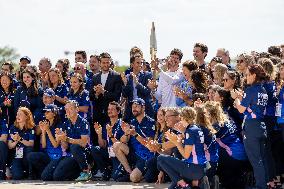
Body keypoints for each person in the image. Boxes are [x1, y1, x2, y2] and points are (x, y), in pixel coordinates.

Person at [231, 64, 270, 189]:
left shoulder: (251, 89)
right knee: (262, 158)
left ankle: (260, 186)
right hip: (261, 126)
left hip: (252, 127)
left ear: (254, 75)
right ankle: (265, 183)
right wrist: (243, 98)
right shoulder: (263, 90)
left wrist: (236, 99)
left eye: (248, 74)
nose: (246, 77)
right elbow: (252, 106)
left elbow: (242, 109)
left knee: (255, 159)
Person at [157, 107, 206, 188]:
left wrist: (176, 142)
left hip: (193, 169)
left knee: (161, 158)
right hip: (200, 168)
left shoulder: (190, 131)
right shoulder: (196, 128)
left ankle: (184, 185)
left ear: (183, 117)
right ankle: (187, 184)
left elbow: (186, 155)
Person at [204, 101, 248, 188]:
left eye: (205, 113)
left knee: (211, 153)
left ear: (210, 114)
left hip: (232, 156)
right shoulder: (226, 119)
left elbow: (206, 139)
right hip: (241, 153)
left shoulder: (216, 124)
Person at [113, 98, 156, 183]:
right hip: (134, 154)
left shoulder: (151, 122)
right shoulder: (132, 122)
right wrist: (126, 133)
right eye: (133, 106)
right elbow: (123, 141)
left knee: (134, 178)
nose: (134, 108)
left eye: (137, 106)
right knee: (116, 145)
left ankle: (140, 173)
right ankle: (129, 172)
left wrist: (135, 134)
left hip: (145, 156)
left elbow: (148, 143)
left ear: (143, 108)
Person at [54, 100, 90, 181]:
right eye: (66, 109)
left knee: (74, 147)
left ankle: (86, 171)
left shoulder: (83, 122)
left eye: (70, 109)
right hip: (71, 155)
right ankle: (78, 173)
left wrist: (67, 139)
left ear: (77, 109)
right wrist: (61, 138)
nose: (67, 111)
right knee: (57, 176)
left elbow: (84, 143)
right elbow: (65, 147)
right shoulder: (65, 124)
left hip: (84, 153)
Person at [26, 104, 63, 180]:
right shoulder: (46, 124)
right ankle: (46, 171)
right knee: (30, 156)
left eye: (47, 112)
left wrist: (48, 130)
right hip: (48, 156)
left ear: (54, 113)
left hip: (57, 157)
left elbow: (55, 145)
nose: (45, 113)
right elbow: (43, 146)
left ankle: (49, 172)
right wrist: (43, 131)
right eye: (44, 112)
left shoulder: (59, 126)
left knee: (45, 177)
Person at [91, 101, 125, 181]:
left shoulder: (122, 125)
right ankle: (104, 170)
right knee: (95, 149)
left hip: (118, 155)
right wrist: (99, 134)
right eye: (108, 109)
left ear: (118, 111)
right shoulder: (106, 125)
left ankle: (117, 170)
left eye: (112, 109)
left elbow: (122, 145)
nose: (110, 111)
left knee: (115, 177)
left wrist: (111, 135)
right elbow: (103, 145)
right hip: (108, 152)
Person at [90, 52, 123, 126]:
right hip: (98, 115)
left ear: (110, 62)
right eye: (103, 62)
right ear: (99, 63)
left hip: (111, 115)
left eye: (107, 62)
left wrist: (103, 92)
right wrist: (96, 94)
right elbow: (91, 96)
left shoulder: (116, 76)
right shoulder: (95, 77)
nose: (105, 65)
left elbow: (117, 96)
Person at [121, 55, 154, 122]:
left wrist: (137, 83)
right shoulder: (127, 77)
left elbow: (147, 92)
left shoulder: (148, 75)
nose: (140, 65)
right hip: (131, 112)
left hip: (145, 111)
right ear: (132, 64)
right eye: (138, 63)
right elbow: (124, 95)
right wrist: (125, 84)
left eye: (141, 63)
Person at [8, 107, 35, 180]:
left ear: (26, 117)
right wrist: (16, 140)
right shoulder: (12, 128)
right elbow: (10, 146)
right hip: (17, 155)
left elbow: (31, 144)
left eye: (20, 114)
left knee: (30, 149)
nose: (17, 116)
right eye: (17, 114)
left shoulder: (31, 129)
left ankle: (30, 172)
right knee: (17, 176)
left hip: (26, 155)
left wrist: (20, 139)